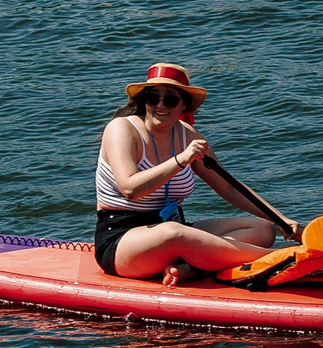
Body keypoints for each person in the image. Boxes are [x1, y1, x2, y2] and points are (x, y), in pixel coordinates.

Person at [94, 62, 285, 284]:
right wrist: (180, 159)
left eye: (171, 99)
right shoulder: (123, 129)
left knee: (263, 230)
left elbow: (229, 187)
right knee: (174, 233)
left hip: (173, 229)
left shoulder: (189, 136)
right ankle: (282, 259)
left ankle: (190, 269)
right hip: (122, 239)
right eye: (153, 98)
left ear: (184, 105)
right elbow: (129, 188)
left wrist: (282, 220)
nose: (160, 105)